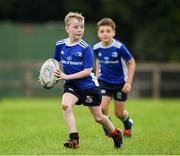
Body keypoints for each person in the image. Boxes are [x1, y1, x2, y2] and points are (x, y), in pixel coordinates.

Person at [53, 12, 123, 149]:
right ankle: (74, 140)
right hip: (72, 85)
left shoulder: (85, 48)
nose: (80, 30)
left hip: (88, 86)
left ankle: (116, 133)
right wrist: (53, 72)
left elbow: (87, 71)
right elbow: (55, 60)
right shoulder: (60, 45)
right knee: (65, 106)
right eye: (76, 27)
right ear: (67, 28)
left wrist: (66, 76)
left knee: (99, 118)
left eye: (82, 27)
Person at [93, 18, 136, 137]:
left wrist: (128, 82)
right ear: (98, 33)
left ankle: (128, 124)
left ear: (113, 33)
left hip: (120, 83)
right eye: (102, 31)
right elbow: (98, 61)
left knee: (119, 113)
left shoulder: (119, 47)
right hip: (104, 81)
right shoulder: (96, 47)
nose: (105, 33)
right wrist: (96, 77)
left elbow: (131, 62)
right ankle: (111, 132)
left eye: (108, 31)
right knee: (101, 108)